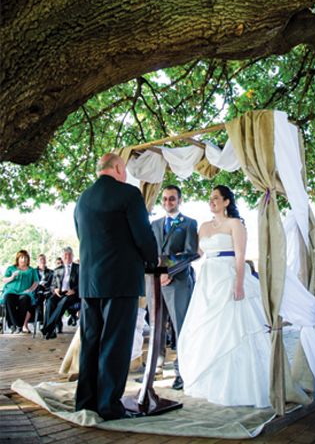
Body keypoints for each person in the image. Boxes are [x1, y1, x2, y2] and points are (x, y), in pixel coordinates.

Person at [74, 153, 158, 421]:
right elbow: (143, 234)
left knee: (91, 342)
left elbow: (82, 235)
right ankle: (109, 406)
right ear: (119, 168)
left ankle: (85, 402)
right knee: (115, 343)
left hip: (89, 282)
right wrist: (152, 261)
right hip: (120, 280)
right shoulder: (129, 194)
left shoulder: (82, 198)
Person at [177, 185, 272, 408]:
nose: (211, 202)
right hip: (208, 281)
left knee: (234, 327)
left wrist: (239, 284)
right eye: (210, 198)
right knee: (207, 329)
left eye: (216, 198)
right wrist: (180, 259)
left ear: (227, 201)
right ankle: (210, 382)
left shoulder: (235, 224)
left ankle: (242, 387)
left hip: (229, 277)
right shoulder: (204, 226)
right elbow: (198, 255)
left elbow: (241, 256)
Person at [149, 184, 198, 391]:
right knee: (156, 327)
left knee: (180, 329)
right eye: (165, 199)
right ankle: (155, 369)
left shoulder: (189, 223)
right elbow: (150, 251)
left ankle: (182, 372)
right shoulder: (154, 224)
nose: (168, 202)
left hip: (178, 283)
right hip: (156, 284)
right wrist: (157, 275)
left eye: (172, 198)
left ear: (179, 200)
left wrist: (168, 273)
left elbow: (190, 253)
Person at [42, 247, 80, 339]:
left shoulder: (79, 268)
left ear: (72, 256)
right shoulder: (57, 270)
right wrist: (55, 290)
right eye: (65, 255)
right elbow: (52, 285)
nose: (67, 257)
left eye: (69, 255)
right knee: (51, 301)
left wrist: (74, 290)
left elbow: (83, 283)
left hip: (73, 294)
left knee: (64, 301)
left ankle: (47, 328)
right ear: (62, 257)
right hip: (60, 292)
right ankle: (50, 330)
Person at [2, 250, 38, 334]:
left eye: (25, 257)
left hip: (24, 292)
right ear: (18, 259)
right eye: (21, 257)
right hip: (11, 291)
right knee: (8, 298)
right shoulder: (11, 268)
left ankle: (19, 324)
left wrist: (31, 289)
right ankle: (13, 324)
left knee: (25, 299)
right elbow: (4, 280)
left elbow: (36, 282)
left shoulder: (32, 270)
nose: (23, 259)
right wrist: (12, 277)